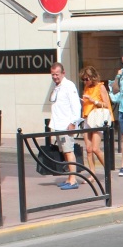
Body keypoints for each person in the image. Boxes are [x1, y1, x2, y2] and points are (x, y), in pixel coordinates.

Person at [49, 61, 82, 189]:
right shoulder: (57, 87)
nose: (55, 77)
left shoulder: (69, 86)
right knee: (64, 152)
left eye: (57, 74)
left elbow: (76, 105)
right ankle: (69, 178)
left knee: (69, 151)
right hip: (58, 125)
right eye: (53, 75)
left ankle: (73, 179)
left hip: (66, 125)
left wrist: (73, 122)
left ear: (63, 73)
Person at [79, 66, 111, 174]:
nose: (85, 82)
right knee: (88, 149)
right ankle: (92, 174)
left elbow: (106, 104)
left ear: (93, 77)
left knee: (95, 149)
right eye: (83, 79)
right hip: (87, 117)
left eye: (87, 79)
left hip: (97, 118)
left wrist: (94, 101)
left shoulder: (100, 87)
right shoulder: (86, 88)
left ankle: (108, 171)